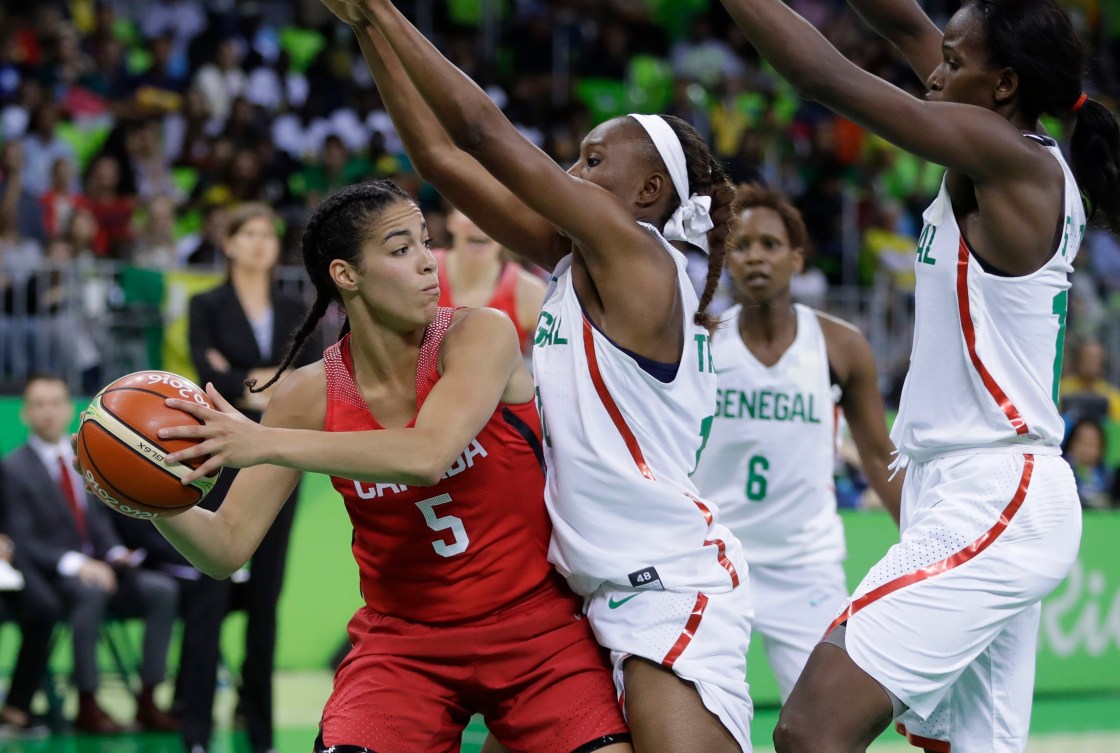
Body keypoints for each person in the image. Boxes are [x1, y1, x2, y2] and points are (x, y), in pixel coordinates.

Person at [322, 2, 748, 750]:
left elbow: (482, 132)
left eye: (590, 160)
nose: (568, 171)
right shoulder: (576, 260)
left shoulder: (642, 258)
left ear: (647, 194)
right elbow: (442, 161)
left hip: (662, 585)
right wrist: (364, 30)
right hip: (582, 593)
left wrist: (385, 9)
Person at [715, 0, 1120, 750]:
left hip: (995, 490)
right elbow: (903, 22)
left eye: (954, 61)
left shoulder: (1010, 159)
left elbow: (818, 72)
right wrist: (926, 40)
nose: (935, 68)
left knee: (810, 727)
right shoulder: (995, 132)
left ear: (1001, 85)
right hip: (970, 489)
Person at [133, 180, 631, 753]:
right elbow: (223, 548)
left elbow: (427, 454)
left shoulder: (477, 334)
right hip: (404, 646)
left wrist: (266, 441)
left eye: (426, 242)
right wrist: (146, 494)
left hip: (538, 632)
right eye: (400, 250)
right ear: (345, 275)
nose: (426, 263)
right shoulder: (307, 395)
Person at [690, 184, 903, 704]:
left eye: (769, 244)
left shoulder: (841, 344)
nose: (756, 256)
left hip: (805, 564)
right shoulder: (697, 341)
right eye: (740, 246)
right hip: (712, 559)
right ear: (725, 260)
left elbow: (879, 456)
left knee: (824, 726)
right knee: (697, 722)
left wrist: (923, 545)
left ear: (797, 258)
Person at [174, 202, 312, 753]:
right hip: (219, 453)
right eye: (247, 233)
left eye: (266, 234)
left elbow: (309, 373)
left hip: (278, 455)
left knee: (266, 595)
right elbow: (211, 377)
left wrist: (247, 382)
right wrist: (266, 384)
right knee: (209, 591)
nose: (258, 242)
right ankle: (196, 732)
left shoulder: (291, 305)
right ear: (228, 243)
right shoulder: (204, 303)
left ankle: (259, 733)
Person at [4, 374, 178, 734]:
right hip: (57, 579)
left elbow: (99, 523)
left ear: (70, 409)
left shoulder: (91, 456)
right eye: (39, 404)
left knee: (161, 590)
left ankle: (148, 698)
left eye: (55, 402)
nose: (48, 412)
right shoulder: (13, 468)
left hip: (105, 568)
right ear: (25, 414)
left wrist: (114, 553)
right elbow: (21, 539)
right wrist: (79, 564)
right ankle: (87, 702)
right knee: (91, 592)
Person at [0, 463, 59, 739]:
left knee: (43, 608)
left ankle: (16, 706)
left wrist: (6, 543)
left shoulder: (4, 467)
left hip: (6, 563)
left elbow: (13, 516)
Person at [436, 208, 545, 355]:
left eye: (492, 214)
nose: (480, 223)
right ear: (450, 221)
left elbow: (561, 361)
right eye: (468, 211)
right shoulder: (421, 271)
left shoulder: (530, 292)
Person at [1061, 417, 1119, 510]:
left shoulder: (1108, 473)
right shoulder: (1062, 471)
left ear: (1101, 447)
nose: (1087, 449)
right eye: (1083, 443)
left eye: (1092, 444)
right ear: (1071, 443)